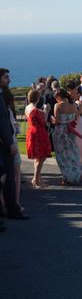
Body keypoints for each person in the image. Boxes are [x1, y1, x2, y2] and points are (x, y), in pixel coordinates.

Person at [0, 69, 24, 222]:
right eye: (5, 77)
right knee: (7, 179)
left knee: (8, 179)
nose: (9, 80)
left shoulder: (3, 96)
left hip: (6, 142)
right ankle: (11, 210)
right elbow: (1, 124)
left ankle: (11, 209)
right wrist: (10, 142)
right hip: (4, 144)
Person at [52, 89, 82, 185]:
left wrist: (53, 120)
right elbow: (77, 117)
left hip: (60, 131)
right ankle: (75, 174)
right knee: (72, 152)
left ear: (58, 96)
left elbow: (56, 121)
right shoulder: (73, 105)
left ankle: (67, 176)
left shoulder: (57, 105)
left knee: (61, 154)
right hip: (70, 131)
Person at [25, 90, 52, 188]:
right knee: (41, 158)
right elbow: (43, 122)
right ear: (37, 98)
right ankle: (36, 180)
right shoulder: (35, 110)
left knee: (37, 157)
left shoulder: (28, 107)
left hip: (31, 132)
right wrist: (47, 111)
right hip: (38, 133)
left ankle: (37, 179)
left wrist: (43, 112)